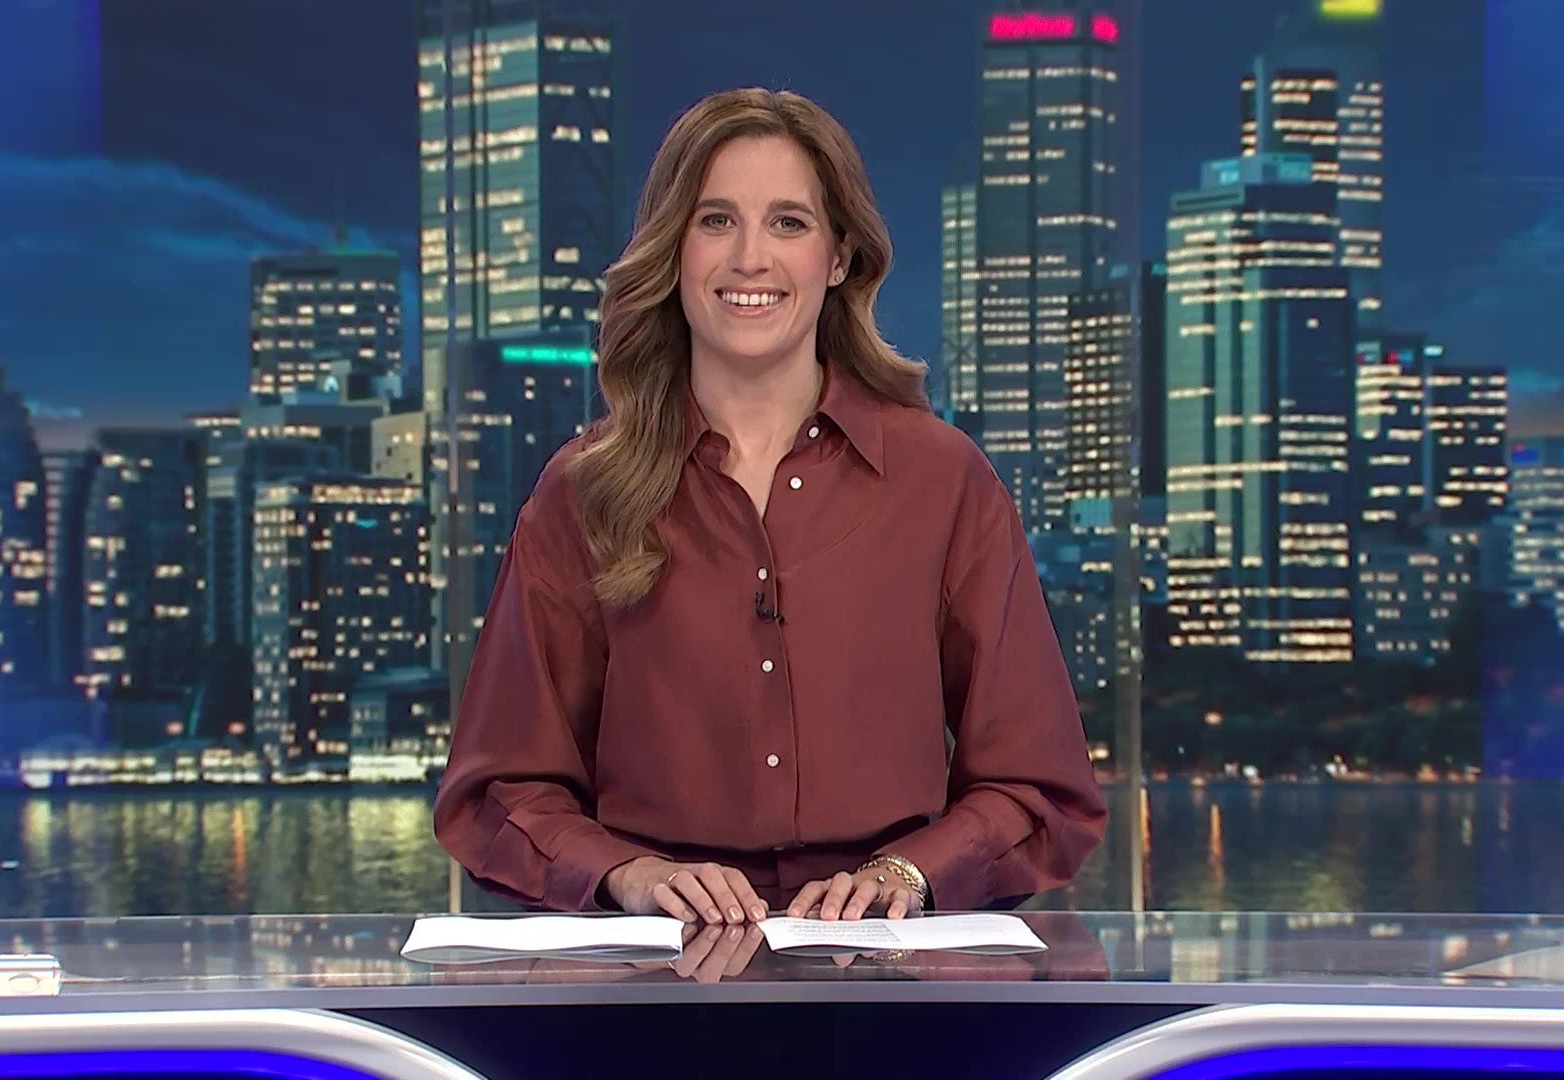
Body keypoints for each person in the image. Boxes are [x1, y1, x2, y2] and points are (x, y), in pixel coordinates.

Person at [433, 87, 1106, 926]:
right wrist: (629, 874)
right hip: (658, 969)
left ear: (839, 256)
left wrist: (908, 873)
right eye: (716, 221)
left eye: (788, 223)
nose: (750, 258)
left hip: (889, 971)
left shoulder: (943, 481)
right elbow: (497, 792)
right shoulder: (582, 491)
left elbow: (1040, 788)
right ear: (673, 250)